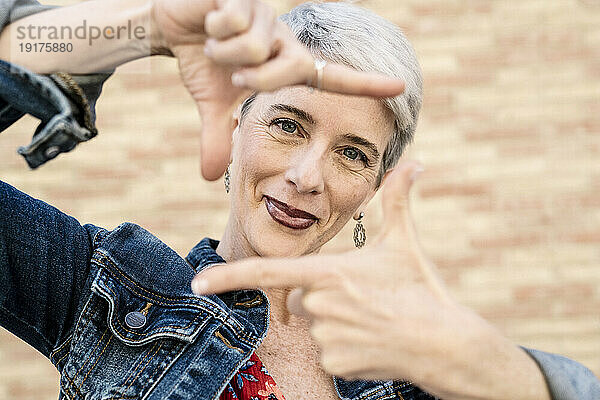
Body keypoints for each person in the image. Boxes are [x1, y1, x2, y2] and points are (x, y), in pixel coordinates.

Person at [0, 1, 598, 400]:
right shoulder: (111, 291)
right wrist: (142, 27)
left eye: (353, 153)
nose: (307, 176)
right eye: (288, 124)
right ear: (237, 126)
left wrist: (492, 366)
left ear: (371, 188)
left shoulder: (412, 363)